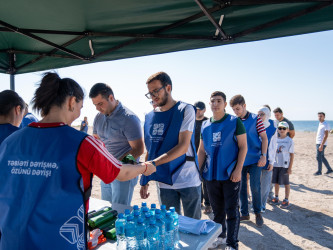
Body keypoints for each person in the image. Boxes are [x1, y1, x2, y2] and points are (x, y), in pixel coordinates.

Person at [0, 72, 155, 250]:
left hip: (12, 241)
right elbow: (120, 172)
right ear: (72, 102)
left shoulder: (11, 141)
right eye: (81, 107)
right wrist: (144, 168)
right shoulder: (82, 142)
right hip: (59, 242)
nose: (80, 112)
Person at [140, 72, 202, 219]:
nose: (153, 96)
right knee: (169, 226)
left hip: (188, 178)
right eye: (150, 93)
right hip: (164, 180)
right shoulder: (150, 117)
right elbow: (151, 149)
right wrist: (145, 179)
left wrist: (154, 163)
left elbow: (182, 146)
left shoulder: (185, 110)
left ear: (168, 87)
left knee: (192, 225)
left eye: (156, 91)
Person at [197, 91, 247, 250]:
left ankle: (232, 243)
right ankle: (220, 237)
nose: (215, 104)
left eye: (219, 101)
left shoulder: (234, 122)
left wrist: (238, 170)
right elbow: (201, 151)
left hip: (229, 174)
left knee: (231, 211)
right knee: (217, 211)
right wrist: (197, 172)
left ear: (225, 104)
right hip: (210, 175)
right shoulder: (205, 125)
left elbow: (243, 146)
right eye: (212, 101)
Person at [89, 83, 144, 206]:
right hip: (105, 170)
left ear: (111, 98)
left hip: (123, 172)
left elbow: (139, 149)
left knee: (119, 211)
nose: (97, 108)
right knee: (106, 208)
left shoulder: (129, 118)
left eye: (100, 104)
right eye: (95, 105)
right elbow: (97, 142)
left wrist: (118, 164)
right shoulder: (98, 117)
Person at [230, 94, 268, 227]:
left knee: (255, 187)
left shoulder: (255, 119)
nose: (236, 112)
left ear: (244, 106)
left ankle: (258, 213)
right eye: (233, 109)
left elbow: (264, 138)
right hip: (240, 160)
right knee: (241, 188)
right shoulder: (234, 121)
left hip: (255, 159)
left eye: (238, 109)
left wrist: (263, 155)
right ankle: (245, 213)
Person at [258, 106, 277, 212]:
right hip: (255, 160)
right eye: (258, 114)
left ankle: (262, 205)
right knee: (256, 185)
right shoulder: (255, 125)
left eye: (262, 114)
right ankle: (256, 204)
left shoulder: (273, 127)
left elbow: (273, 146)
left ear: (267, 115)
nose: (260, 117)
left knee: (265, 185)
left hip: (268, 160)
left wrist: (271, 161)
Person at [270, 121, 294, 209]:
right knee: (276, 182)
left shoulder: (289, 141)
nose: (282, 130)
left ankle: (286, 199)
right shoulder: (275, 139)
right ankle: (276, 197)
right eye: (280, 128)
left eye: (284, 128)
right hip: (275, 165)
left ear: (287, 130)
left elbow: (292, 155)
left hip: (285, 166)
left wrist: (290, 168)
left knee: (286, 183)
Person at [194, 101, 211, 214]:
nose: (198, 111)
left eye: (200, 109)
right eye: (196, 109)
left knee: (206, 181)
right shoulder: (190, 121)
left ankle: (208, 204)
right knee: (195, 179)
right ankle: (199, 201)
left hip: (206, 155)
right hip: (193, 155)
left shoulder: (208, 122)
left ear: (204, 110)